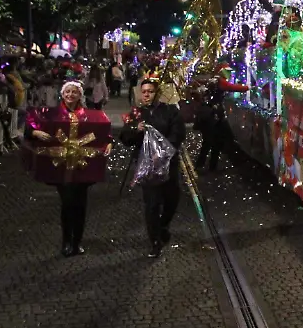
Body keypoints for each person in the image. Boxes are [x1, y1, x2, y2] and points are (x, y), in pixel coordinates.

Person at [24, 81, 113, 257]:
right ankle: (66, 241)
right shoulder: (50, 114)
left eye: (74, 92)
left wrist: (109, 142)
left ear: (80, 95)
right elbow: (30, 126)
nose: (70, 95)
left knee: (80, 205)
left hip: (82, 168)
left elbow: (104, 132)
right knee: (67, 203)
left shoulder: (91, 116)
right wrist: (35, 132)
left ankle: (77, 242)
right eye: (67, 92)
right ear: (62, 94)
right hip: (61, 168)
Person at [120, 79, 186, 258]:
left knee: (172, 199)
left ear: (157, 93)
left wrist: (163, 152)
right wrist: (136, 130)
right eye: (144, 92)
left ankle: (163, 225)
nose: (146, 95)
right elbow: (125, 138)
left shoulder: (170, 111)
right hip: (147, 167)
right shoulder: (136, 114)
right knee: (152, 204)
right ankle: (155, 241)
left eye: (150, 91)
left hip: (168, 164)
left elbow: (178, 134)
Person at [195, 64, 249, 172]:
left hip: (211, 115)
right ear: (221, 71)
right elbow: (233, 88)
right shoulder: (220, 81)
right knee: (214, 141)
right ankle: (205, 166)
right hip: (213, 116)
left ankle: (206, 165)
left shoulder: (214, 80)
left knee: (212, 141)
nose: (229, 73)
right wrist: (248, 87)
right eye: (227, 71)